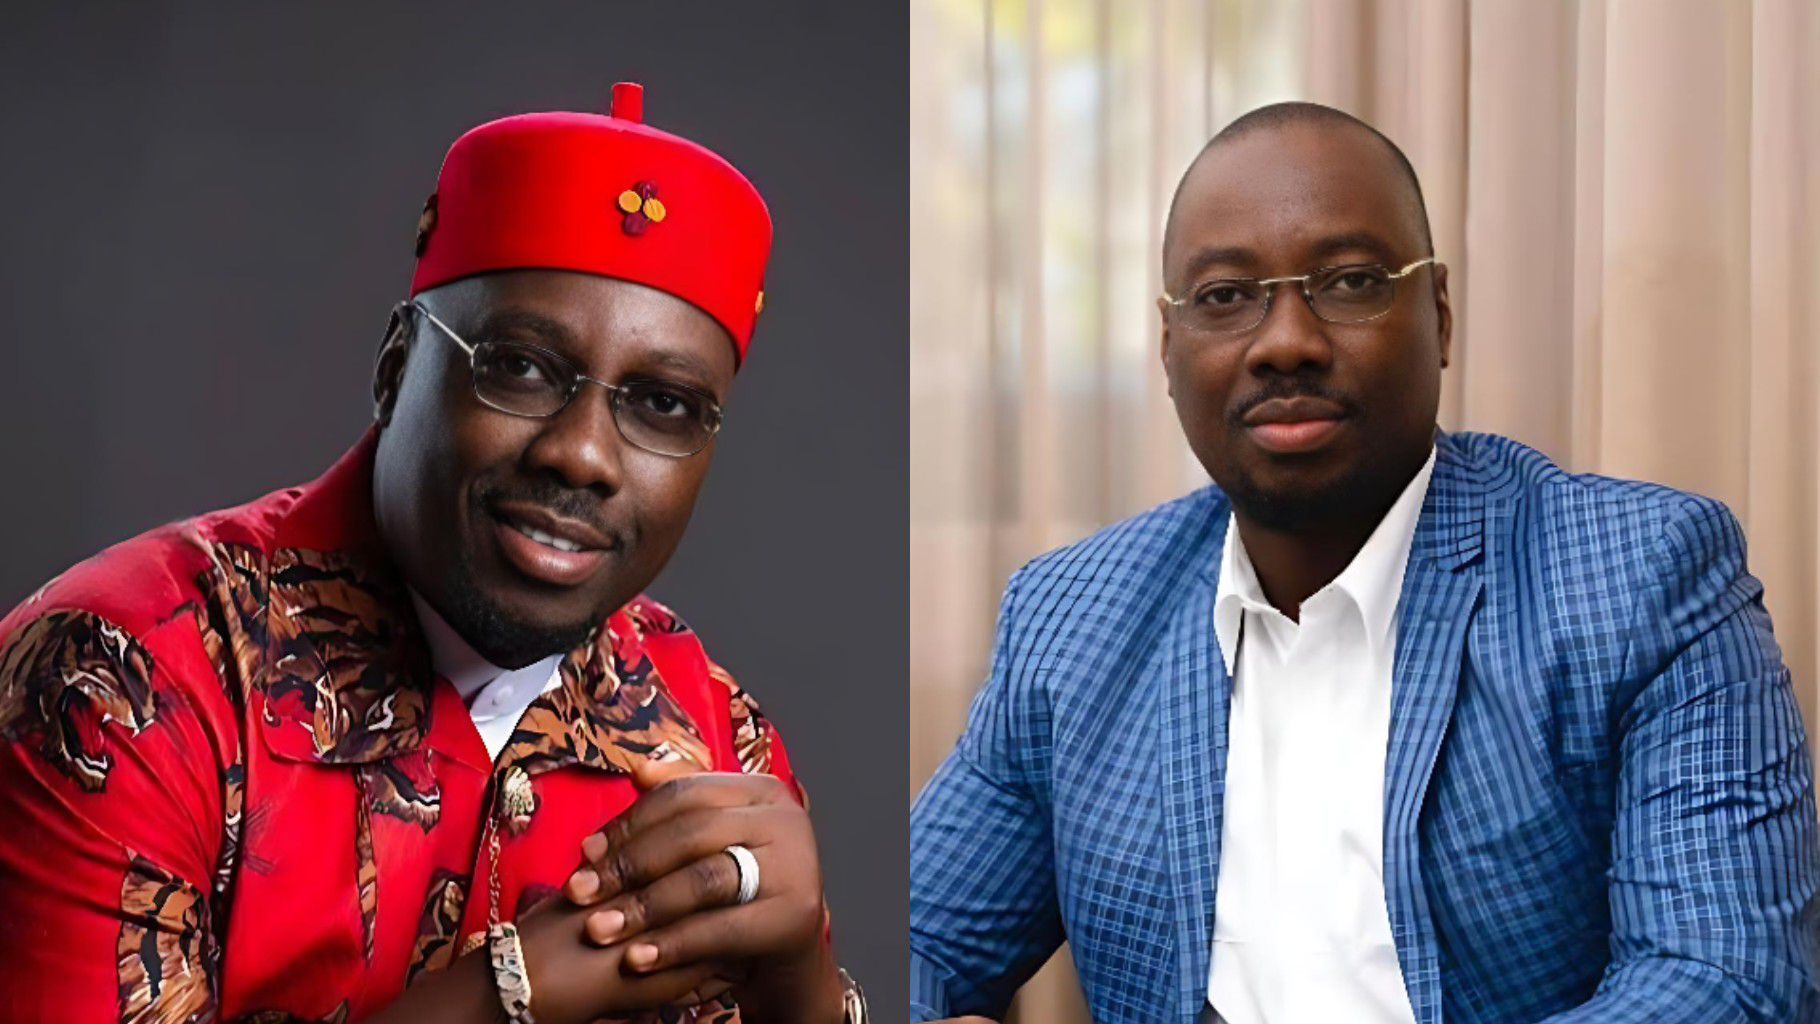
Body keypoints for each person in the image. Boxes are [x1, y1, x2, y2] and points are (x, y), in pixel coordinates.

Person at [910, 102, 1820, 1024]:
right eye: (1226, 297)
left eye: (1349, 282)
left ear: (1440, 317)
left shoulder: (1638, 576)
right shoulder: (1074, 619)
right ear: (1168, 348)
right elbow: (914, 940)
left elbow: (1725, 981)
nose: (1286, 342)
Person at [0, 82, 867, 1024]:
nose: (581, 453)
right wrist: (506, 1000)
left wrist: (801, 988)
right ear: (395, 365)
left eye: (662, 404)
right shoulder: (125, 683)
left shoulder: (715, 738)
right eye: (522, 366)